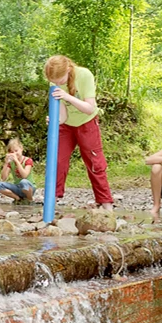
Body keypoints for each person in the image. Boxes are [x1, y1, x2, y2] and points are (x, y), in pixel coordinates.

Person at [44, 55, 114, 210]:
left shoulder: (84, 75)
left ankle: (106, 203)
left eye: (60, 81)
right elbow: (63, 115)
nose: (56, 84)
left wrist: (68, 96)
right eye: (53, 82)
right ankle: (51, 202)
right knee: (57, 161)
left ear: (68, 69)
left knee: (95, 163)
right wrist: (55, 120)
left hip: (87, 122)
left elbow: (90, 108)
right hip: (67, 126)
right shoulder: (54, 81)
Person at [0, 138, 36, 203]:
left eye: (16, 151)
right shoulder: (11, 163)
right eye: (12, 152)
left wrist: (17, 161)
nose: (14, 153)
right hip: (18, 187)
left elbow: (24, 175)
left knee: (24, 182)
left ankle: (30, 200)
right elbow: (3, 178)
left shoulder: (28, 160)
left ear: (21, 149)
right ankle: (18, 199)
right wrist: (6, 163)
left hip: (29, 187)